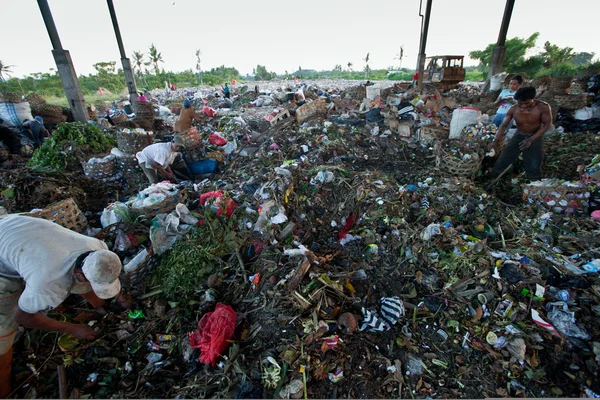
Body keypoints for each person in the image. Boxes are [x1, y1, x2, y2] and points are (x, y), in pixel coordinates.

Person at [0, 215, 134, 397]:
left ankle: (99, 308)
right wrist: (72, 329)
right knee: (4, 333)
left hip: (15, 227)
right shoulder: (51, 282)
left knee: (73, 283)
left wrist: (121, 300)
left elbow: (100, 273)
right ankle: (5, 391)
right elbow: (22, 317)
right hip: (6, 253)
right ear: (79, 273)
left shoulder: (98, 248)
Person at [490, 86, 551, 181]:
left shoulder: (542, 107)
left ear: (532, 99)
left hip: (535, 137)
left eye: (526, 103)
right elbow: (503, 125)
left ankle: (534, 187)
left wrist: (531, 139)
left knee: (533, 166)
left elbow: (547, 124)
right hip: (519, 136)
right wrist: (496, 140)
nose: (522, 106)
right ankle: (493, 180)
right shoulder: (513, 109)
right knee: (502, 161)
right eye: (520, 103)